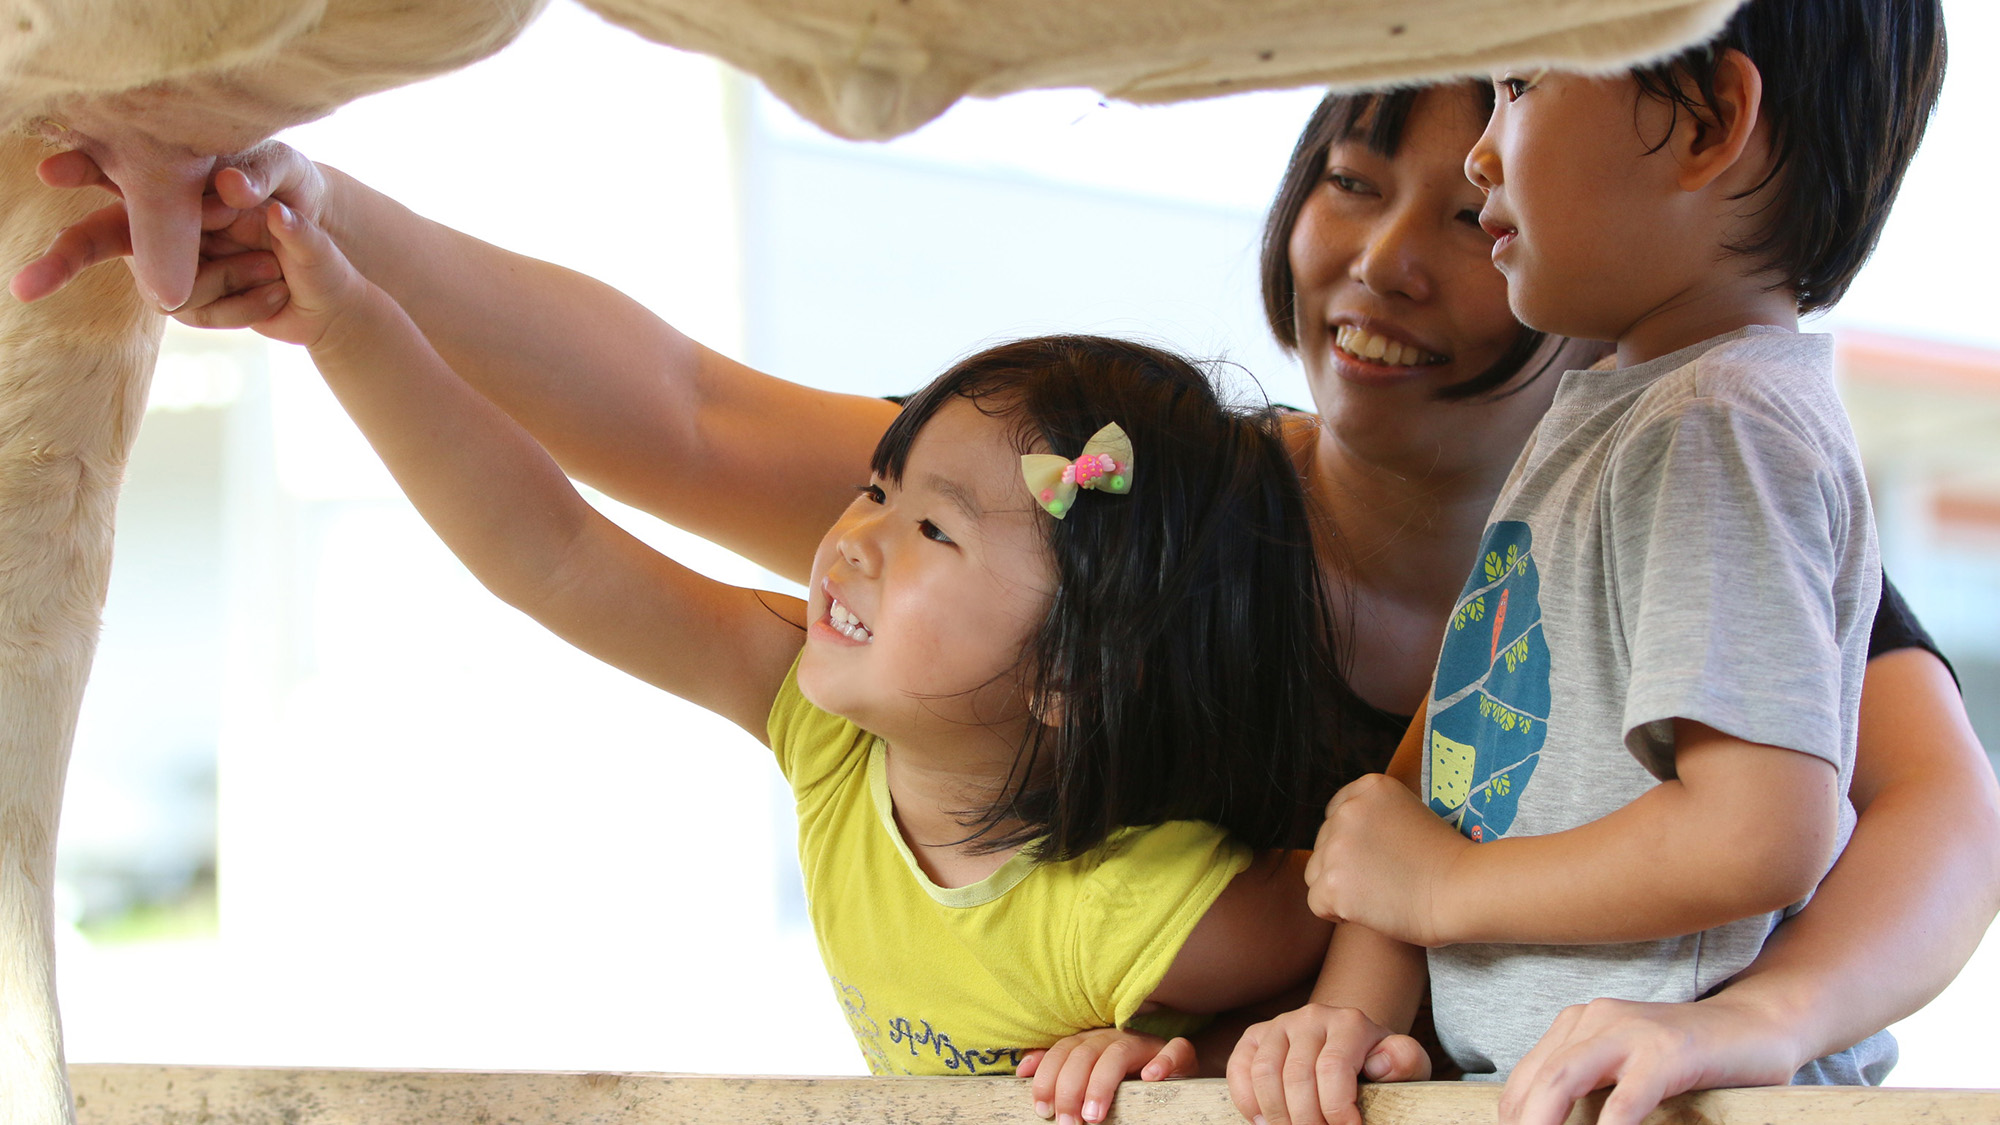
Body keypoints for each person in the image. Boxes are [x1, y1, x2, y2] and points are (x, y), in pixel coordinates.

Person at [13, 50, 1997, 1125]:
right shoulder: (1125, 503)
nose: (1392, 249)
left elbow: (1931, 810)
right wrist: (316, 222)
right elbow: (683, 414)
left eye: (1472, 166)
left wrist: (1767, 1013)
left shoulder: (1668, 497)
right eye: (1346, 169)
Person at [222, 200, 1358, 1080]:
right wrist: (346, 328)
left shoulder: (1149, 914)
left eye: (930, 529)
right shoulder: (826, 736)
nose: (853, 540)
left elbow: (1366, 907)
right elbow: (553, 553)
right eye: (876, 487)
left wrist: (1202, 1058)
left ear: (1075, 671)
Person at [1242, 1, 1955, 1122]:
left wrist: (1446, 891)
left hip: (1682, 1098)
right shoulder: (1621, 423)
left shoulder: (1717, 430)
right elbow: (1448, 782)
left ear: (1707, 123)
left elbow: (1759, 829)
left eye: (1519, 85)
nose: (1483, 153)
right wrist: (1352, 1006)